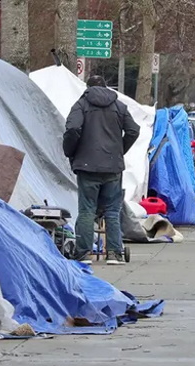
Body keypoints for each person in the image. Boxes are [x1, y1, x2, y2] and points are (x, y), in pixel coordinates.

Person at [63, 75, 140, 265]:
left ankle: (83, 253)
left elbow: (72, 129)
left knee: (87, 210)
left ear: (88, 88)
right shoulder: (119, 106)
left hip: (87, 166)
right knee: (113, 211)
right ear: (106, 87)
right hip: (113, 167)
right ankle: (114, 253)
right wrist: (119, 150)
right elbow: (133, 130)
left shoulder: (81, 105)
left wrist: (71, 152)